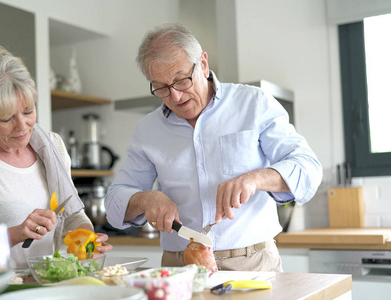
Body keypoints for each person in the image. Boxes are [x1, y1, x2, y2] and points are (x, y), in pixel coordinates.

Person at [105, 23, 322, 272]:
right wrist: (146, 199)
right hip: (179, 267)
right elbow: (113, 202)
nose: (175, 97)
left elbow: (308, 169)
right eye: (162, 88)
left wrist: (255, 179)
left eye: (181, 80)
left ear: (204, 64)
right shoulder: (147, 130)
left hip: (252, 264)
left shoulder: (253, 103)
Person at [0, 44, 112, 268]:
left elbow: (72, 215)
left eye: (28, 111)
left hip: (45, 283)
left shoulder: (53, 146)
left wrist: (88, 240)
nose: (22, 127)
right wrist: (16, 233)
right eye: (6, 119)